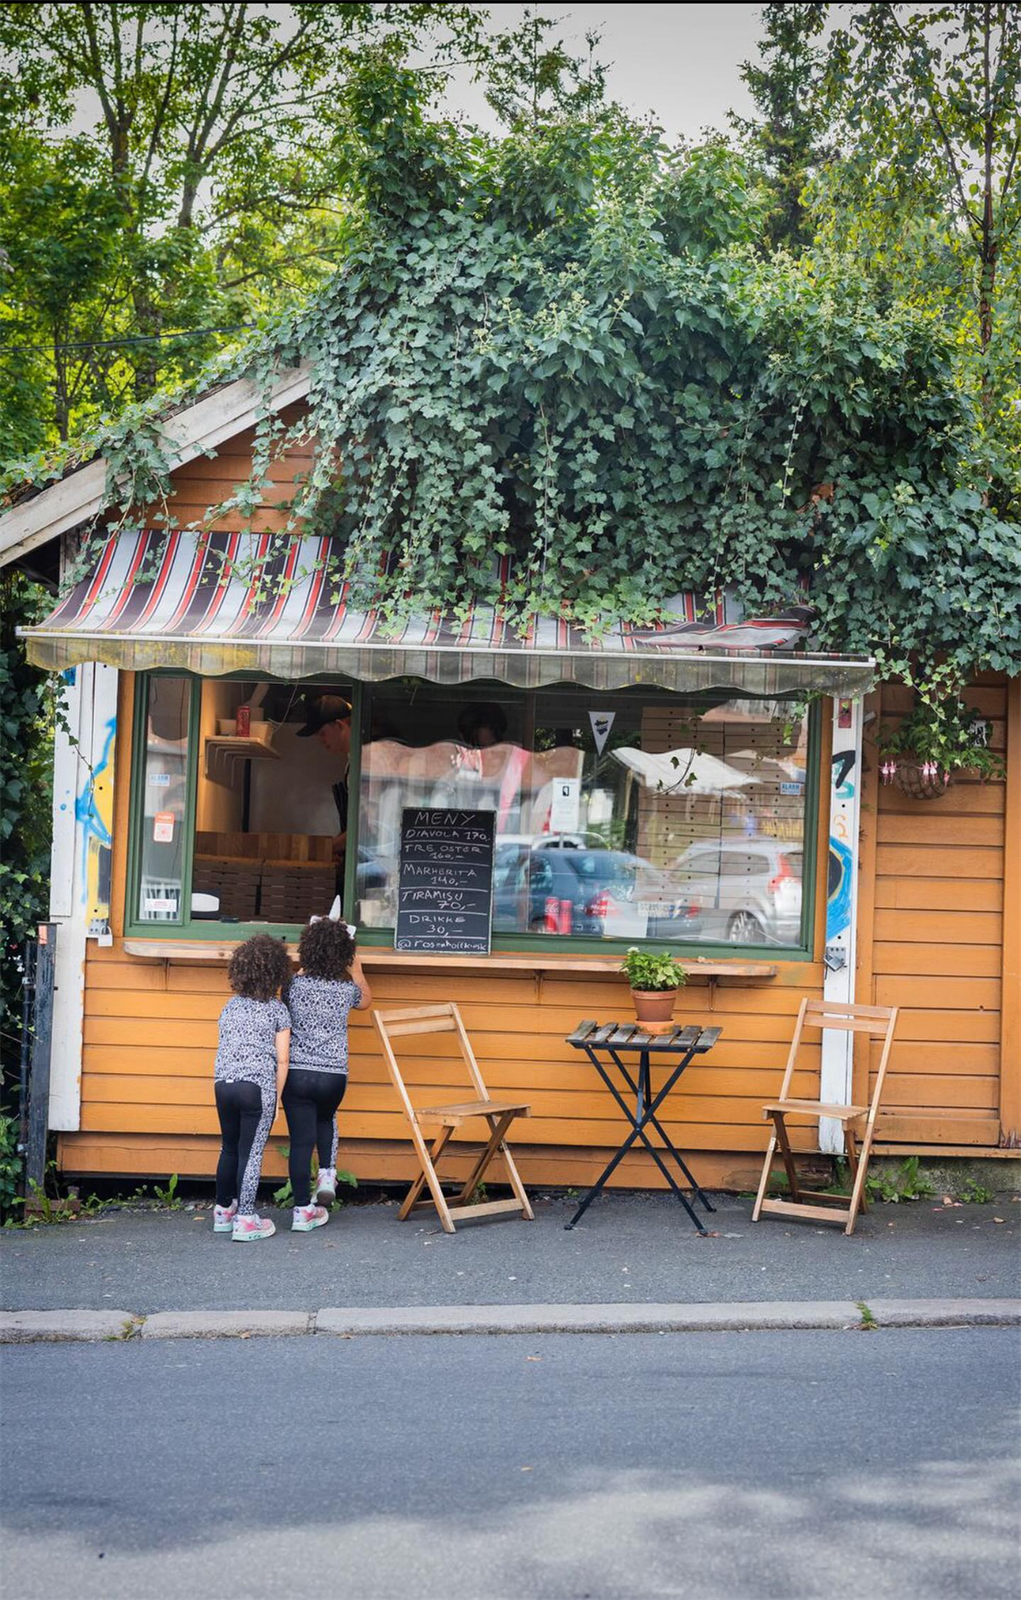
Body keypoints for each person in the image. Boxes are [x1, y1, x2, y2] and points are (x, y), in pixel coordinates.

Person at [282, 917, 372, 1232]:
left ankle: (301, 1211)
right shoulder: (346, 989)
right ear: (344, 954)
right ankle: (327, 1173)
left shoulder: (293, 985)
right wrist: (357, 970)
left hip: (297, 1073)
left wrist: (305, 967)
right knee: (327, 1119)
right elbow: (366, 1002)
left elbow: (287, 1000)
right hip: (333, 1075)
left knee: (300, 1142)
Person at [212, 934, 292, 1243]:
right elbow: (282, 1060)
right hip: (255, 1087)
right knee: (251, 1151)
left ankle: (223, 1212)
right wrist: (275, 1098)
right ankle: (246, 1218)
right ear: (277, 973)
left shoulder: (230, 1007)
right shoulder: (276, 1010)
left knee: (229, 1147)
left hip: (223, 1084)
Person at [297, 694, 353, 867]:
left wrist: (329, 848)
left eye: (322, 734)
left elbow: (365, 827)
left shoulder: (364, 764)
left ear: (338, 725)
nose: (321, 741)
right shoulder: (353, 762)